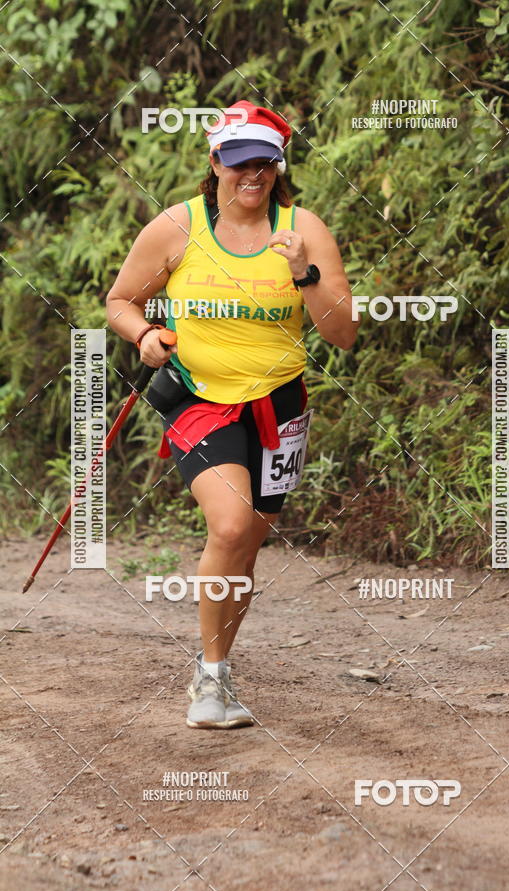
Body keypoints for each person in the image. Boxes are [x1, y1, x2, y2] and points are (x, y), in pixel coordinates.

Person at [106, 99, 358, 729]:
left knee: (246, 545)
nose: (255, 175)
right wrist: (143, 335)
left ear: (278, 166)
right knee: (229, 525)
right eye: (241, 162)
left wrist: (305, 271)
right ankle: (211, 683)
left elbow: (344, 332)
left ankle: (217, 661)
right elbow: (120, 301)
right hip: (199, 399)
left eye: (266, 163)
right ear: (216, 161)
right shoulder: (177, 227)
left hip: (280, 405)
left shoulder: (304, 229)